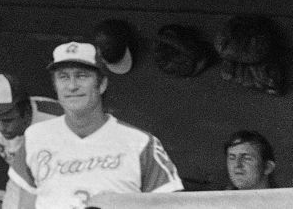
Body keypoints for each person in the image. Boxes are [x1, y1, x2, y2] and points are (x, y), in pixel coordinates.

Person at [10, 42, 183, 208]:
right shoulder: (35, 137)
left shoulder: (140, 142)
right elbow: (27, 203)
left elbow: (171, 204)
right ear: (55, 86)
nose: (71, 86)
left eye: (81, 76)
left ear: (101, 85)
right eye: (63, 77)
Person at [0, 74, 62, 209]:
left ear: (26, 111)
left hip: (61, 182)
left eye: (8, 120)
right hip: (20, 181)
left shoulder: (56, 118)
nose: (0, 127)